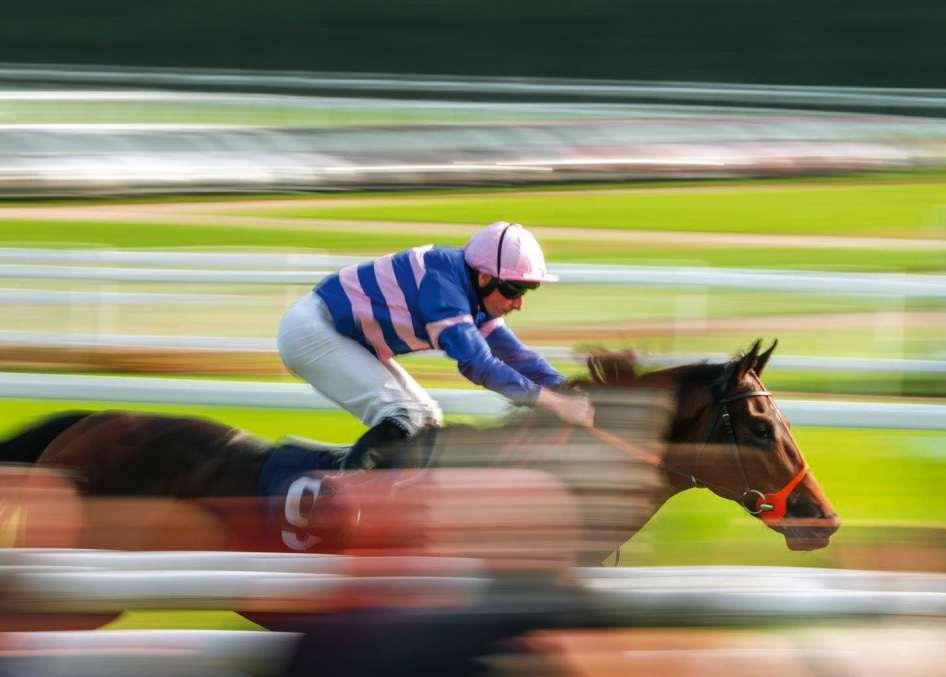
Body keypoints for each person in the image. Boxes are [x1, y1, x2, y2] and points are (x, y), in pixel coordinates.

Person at [277, 221, 595, 469]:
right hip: (313, 331)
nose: (518, 303)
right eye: (514, 290)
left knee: (427, 418)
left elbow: (514, 355)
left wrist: (565, 387)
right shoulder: (444, 288)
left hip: (337, 331)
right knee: (406, 414)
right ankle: (340, 499)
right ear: (484, 278)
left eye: (526, 291)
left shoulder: (469, 288)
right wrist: (554, 403)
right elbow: (479, 365)